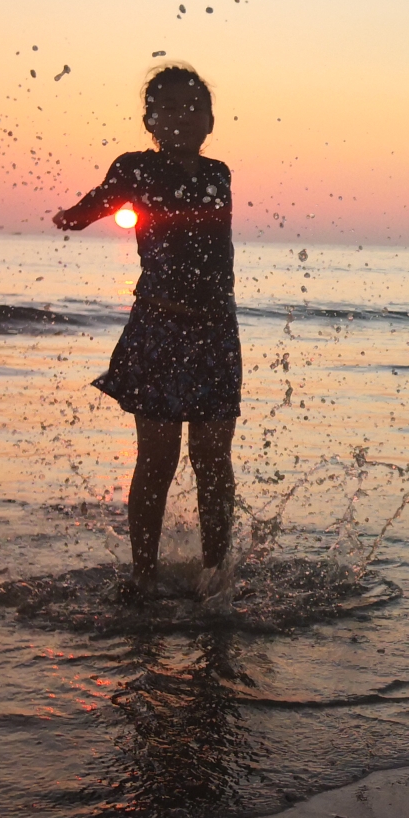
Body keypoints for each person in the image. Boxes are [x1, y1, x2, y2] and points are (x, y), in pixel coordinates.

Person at [54, 65, 240, 599]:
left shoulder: (219, 173)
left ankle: (216, 572)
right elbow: (97, 205)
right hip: (159, 325)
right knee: (156, 457)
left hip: (215, 331)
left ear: (210, 120)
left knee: (212, 456)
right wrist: (71, 214)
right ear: (149, 120)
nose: (182, 115)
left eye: (193, 107)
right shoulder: (134, 168)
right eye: (170, 107)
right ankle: (143, 574)